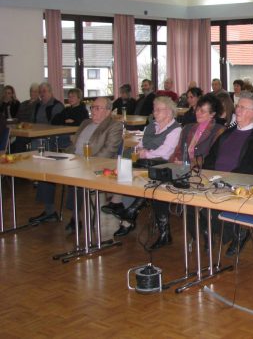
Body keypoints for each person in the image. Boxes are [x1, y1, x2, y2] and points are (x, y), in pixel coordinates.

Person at [28, 97, 122, 227]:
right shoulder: (85, 123)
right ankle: (49, 211)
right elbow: (74, 145)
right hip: (75, 160)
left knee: (75, 176)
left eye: (97, 108)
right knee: (47, 169)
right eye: (92, 107)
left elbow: (108, 151)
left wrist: (84, 162)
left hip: (96, 164)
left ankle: (76, 217)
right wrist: (65, 156)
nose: (93, 110)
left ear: (107, 111)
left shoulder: (114, 126)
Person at [149, 94, 225, 245]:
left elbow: (211, 158)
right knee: (156, 187)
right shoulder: (188, 128)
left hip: (201, 173)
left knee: (189, 197)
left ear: (213, 114)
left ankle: (204, 232)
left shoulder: (219, 131)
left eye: (203, 111)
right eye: (197, 109)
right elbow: (177, 151)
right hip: (181, 169)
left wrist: (189, 164)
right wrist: (174, 163)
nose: (198, 113)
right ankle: (164, 232)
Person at [203, 91, 253, 255]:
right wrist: (209, 174)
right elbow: (210, 158)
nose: (237, 110)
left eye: (242, 107)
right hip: (215, 180)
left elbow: (251, 169)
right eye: (237, 106)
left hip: (239, 185)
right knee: (190, 197)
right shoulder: (227, 133)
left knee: (217, 197)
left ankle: (238, 233)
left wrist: (225, 178)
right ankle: (207, 231)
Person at [113, 97, 182, 246]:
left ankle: (129, 213)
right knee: (126, 167)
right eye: (154, 109)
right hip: (147, 164)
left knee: (149, 183)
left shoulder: (176, 129)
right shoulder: (151, 126)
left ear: (169, 112)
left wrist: (145, 153)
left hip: (164, 165)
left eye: (158, 109)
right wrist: (139, 151)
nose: (154, 112)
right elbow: (140, 144)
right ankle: (124, 209)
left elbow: (165, 152)